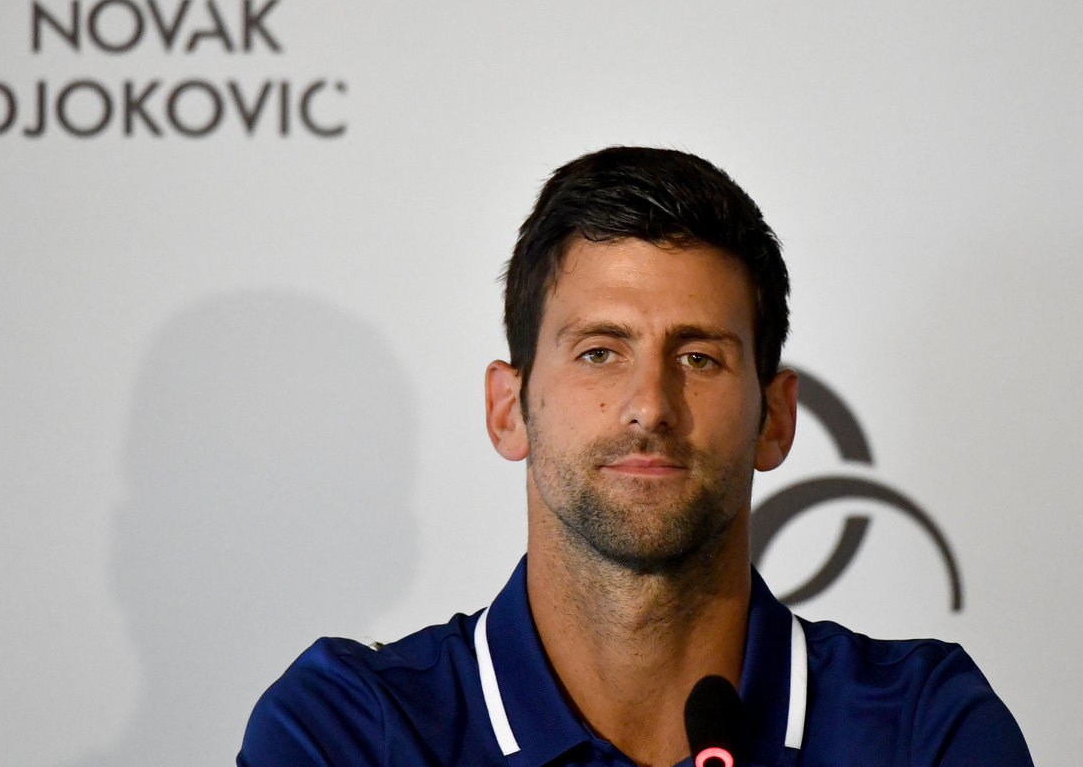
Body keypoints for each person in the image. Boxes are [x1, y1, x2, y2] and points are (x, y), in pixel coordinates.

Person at [237, 147, 1033, 766]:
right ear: (509, 409)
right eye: (599, 352)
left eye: (699, 357)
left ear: (776, 419)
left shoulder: (923, 727)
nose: (650, 405)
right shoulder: (349, 730)